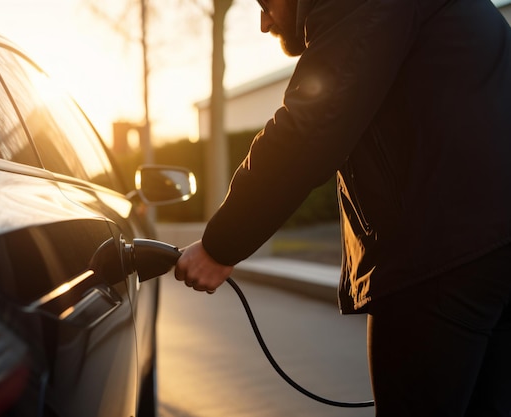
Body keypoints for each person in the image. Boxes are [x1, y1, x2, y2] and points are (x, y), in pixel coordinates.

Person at [174, 0, 511, 415]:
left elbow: (312, 123)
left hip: (441, 254)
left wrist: (220, 244)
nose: (263, 23)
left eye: (264, 4)